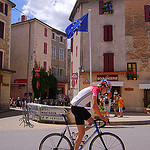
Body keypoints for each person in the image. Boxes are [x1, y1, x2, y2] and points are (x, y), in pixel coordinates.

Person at [71, 78, 112, 150]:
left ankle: (77, 135)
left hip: (80, 107)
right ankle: (77, 141)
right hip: (76, 108)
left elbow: (95, 105)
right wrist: (102, 117)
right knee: (82, 133)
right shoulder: (95, 89)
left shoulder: (96, 90)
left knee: (92, 123)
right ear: (102, 87)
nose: (106, 92)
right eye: (107, 89)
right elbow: (94, 106)